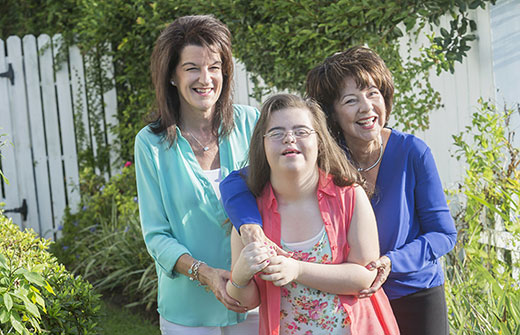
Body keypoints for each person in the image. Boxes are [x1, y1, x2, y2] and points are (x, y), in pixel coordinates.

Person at [220, 46, 457, 335]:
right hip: (346, 297)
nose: (367, 107)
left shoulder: (412, 152)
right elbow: (237, 182)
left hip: (411, 288)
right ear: (332, 112)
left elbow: (443, 233)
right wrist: (249, 226)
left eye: (373, 93)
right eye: (351, 100)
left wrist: (391, 262)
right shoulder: (324, 156)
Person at [226, 93, 399, 335]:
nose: (289, 138)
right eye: (276, 133)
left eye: (301, 131)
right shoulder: (250, 216)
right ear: (262, 145)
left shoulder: (349, 196)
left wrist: (297, 269)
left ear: (319, 141)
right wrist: (240, 276)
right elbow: (247, 300)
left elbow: (365, 276)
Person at [134, 15, 259, 334]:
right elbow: (156, 234)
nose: (206, 78)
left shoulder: (252, 123)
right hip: (187, 311)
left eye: (214, 67)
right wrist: (203, 272)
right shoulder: (151, 143)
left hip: (254, 301)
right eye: (192, 68)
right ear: (172, 76)